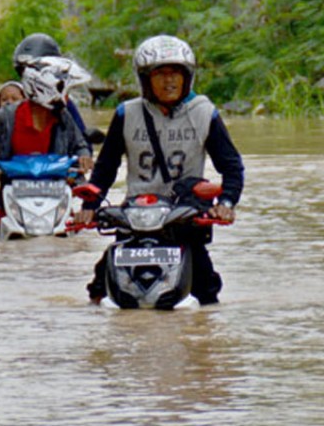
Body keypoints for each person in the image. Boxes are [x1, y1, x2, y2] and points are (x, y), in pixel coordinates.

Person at [73, 35, 245, 305]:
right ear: (145, 79)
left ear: (187, 77)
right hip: (135, 217)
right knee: (100, 288)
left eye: (176, 73)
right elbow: (106, 168)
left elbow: (232, 167)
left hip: (184, 217)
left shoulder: (204, 112)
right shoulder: (125, 114)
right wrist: (89, 205)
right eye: (161, 73)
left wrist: (225, 202)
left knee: (205, 289)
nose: (169, 81)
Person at [0, 57, 93, 235]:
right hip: (13, 193)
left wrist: (84, 157)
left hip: (56, 195)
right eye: (62, 90)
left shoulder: (63, 117)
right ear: (45, 89)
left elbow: (79, 144)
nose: (66, 97)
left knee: (76, 233)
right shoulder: (8, 115)